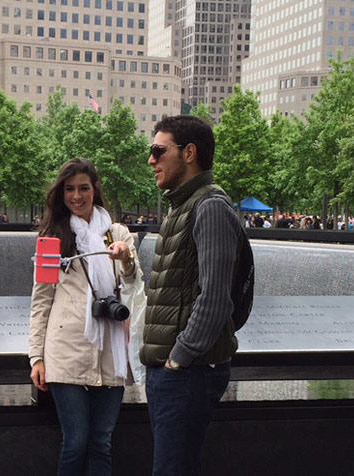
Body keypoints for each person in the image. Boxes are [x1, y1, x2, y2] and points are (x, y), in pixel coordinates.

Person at [142, 115, 240, 476]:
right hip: (173, 372)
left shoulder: (209, 206)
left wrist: (179, 358)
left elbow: (215, 298)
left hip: (188, 374)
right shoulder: (181, 206)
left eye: (158, 150)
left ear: (189, 153)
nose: (151, 160)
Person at [29, 158, 139, 476]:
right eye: (70, 189)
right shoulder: (52, 238)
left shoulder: (117, 234)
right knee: (75, 441)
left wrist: (126, 258)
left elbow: (133, 283)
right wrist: (37, 356)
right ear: (61, 193)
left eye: (84, 188)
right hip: (66, 351)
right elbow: (41, 301)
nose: (77, 196)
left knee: (101, 441)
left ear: (95, 190)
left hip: (111, 350)